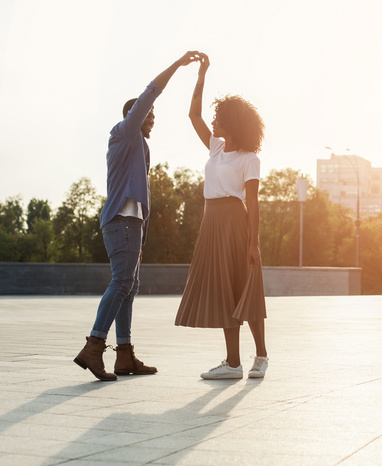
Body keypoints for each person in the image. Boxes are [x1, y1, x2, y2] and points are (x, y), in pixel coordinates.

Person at [74, 52, 202, 381]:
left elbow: (140, 198)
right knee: (121, 283)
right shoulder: (124, 132)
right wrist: (177, 65)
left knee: (129, 287)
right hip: (120, 221)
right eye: (150, 113)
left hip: (131, 225)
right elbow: (150, 92)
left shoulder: (139, 146)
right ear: (135, 114)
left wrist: (142, 234)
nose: (153, 118)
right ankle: (94, 346)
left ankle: (125, 356)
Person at [174, 53, 268, 379]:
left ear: (233, 123)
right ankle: (233, 363)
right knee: (223, 290)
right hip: (210, 220)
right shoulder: (216, 148)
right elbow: (193, 114)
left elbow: (253, 203)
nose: (213, 122)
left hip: (234, 221)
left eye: (219, 119)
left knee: (245, 287)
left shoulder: (249, 158)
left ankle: (262, 355)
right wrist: (202, 74)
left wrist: (254, 242)